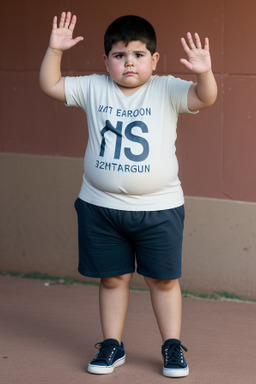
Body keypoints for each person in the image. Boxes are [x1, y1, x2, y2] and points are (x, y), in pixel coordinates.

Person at [39, 11, 217, 378]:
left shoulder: (166, 88)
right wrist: (54, 50)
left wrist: (203, 72)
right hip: (101, 207)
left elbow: (205, 97)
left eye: (137, 54)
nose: (129, 62)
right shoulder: (93, 87)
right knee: (112, 278)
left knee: (164, 280)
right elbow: (51, 85)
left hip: (159, 208)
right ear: (106, 61)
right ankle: (112, 344)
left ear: (154, 60)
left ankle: (171, 345)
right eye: (119, 55)